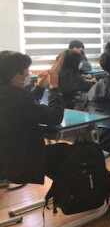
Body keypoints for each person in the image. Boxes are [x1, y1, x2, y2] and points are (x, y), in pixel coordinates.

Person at [0, 51, 64, 184]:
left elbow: (27, 105)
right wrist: (54, 89)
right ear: (17, 78)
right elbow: (55, 116)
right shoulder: (18, 97)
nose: (29, 74)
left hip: (5, 155)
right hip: (18, 160)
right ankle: (71, 197)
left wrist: (40, 87)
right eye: (26, 71)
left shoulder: (13, 95)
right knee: (75, 152)